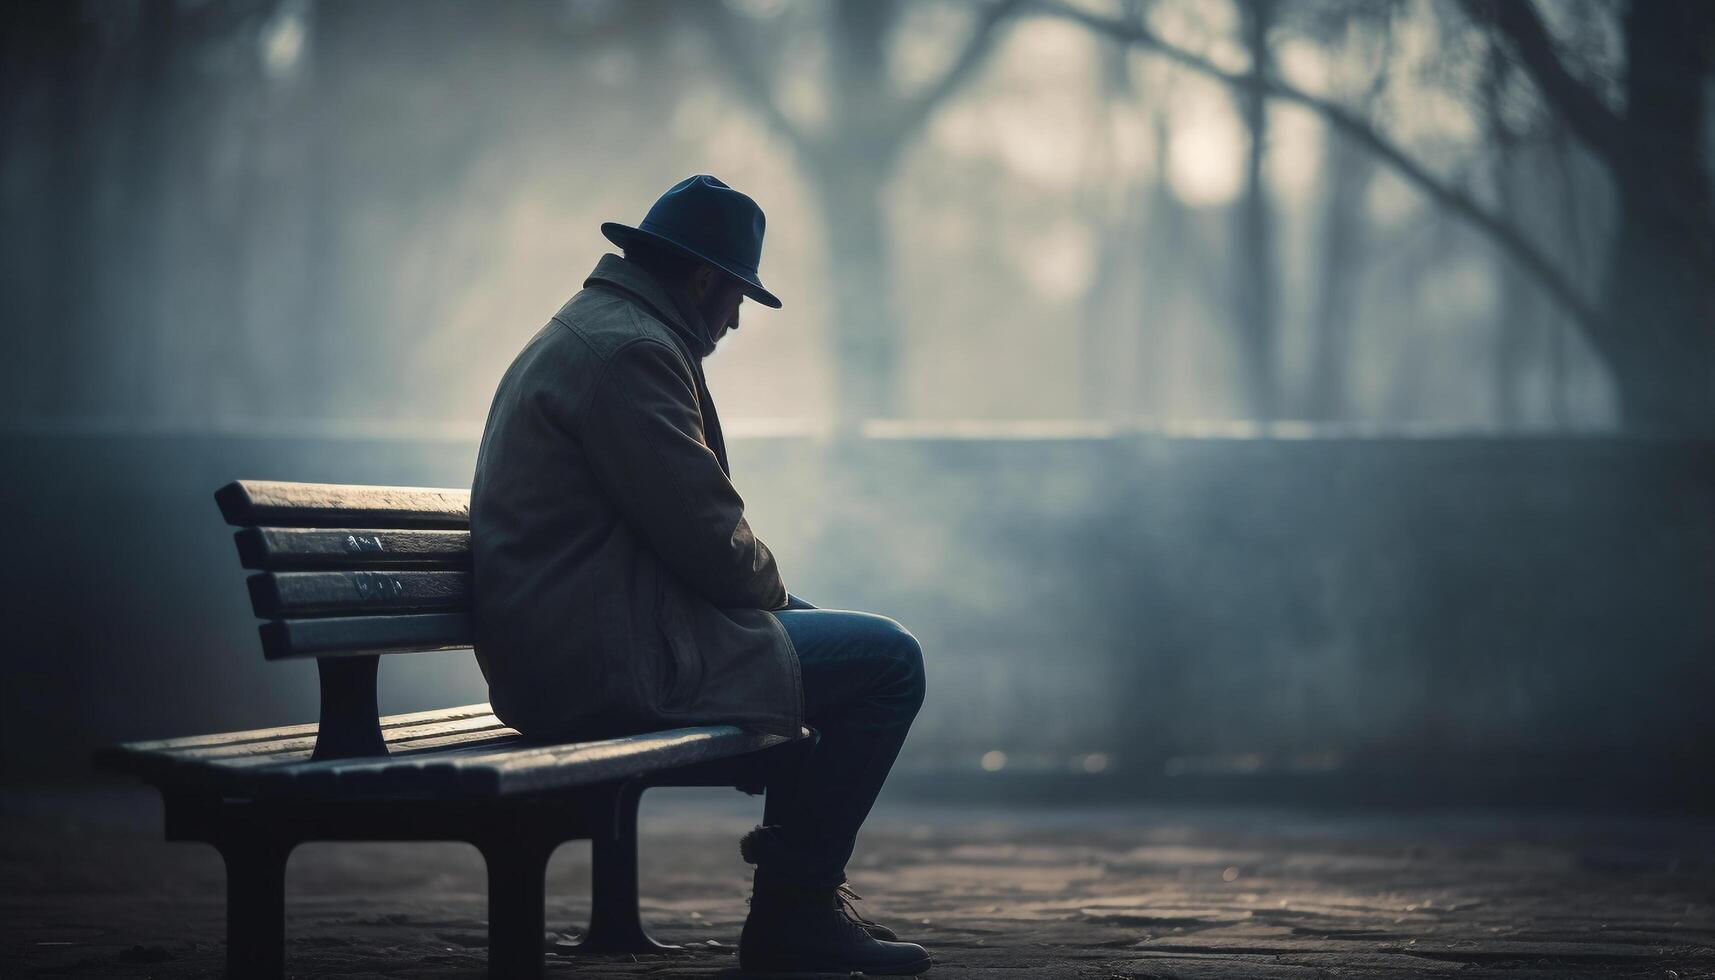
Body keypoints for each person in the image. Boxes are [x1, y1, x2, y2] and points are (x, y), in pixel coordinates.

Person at [469, 175, 930, 975]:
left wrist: (783, 612)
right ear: (702, 279)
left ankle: (800, 908)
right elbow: (711, 544)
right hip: (603, 661)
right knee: (888, 662)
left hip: (585, 641)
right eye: (736, 295)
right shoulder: (633, 353)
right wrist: (777, 602)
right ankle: (795, 911)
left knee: (836, 644)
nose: (737, 318)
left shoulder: (600, 331)